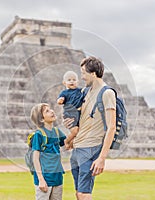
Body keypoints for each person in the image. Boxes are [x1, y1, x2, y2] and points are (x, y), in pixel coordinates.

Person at [64, 56, 116, 200]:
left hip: (91, 147)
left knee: (84, 193)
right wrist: (70, 126)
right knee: (78, 193)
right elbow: (82, 120)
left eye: (84, 73)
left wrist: (102, 158)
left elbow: (111, 127)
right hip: (78, 147)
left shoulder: (107, 93)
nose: (82, 77)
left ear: (93, 73)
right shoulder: (86, 92)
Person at [30, 103, 66, 200]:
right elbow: (35, 158)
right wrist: (41, 179)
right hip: (45, 179)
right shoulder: (39, 134)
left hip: (57, 178)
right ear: (42, 119)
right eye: (47, 111)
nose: (52, 111)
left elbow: (69, 144)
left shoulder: (57, 131)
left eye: (50, 109)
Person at [57, 71, 86, 150]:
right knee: (75, 131)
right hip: (69, 115)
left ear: (77, 82)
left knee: (79, 132)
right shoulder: (65, 92)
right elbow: (60, 99)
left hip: (79, 114)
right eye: (69, 80)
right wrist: (60, 100)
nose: (72, 81)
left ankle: (71, 144)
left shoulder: (80, 91)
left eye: (74, 80)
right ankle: (66, 141)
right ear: (64, 82)